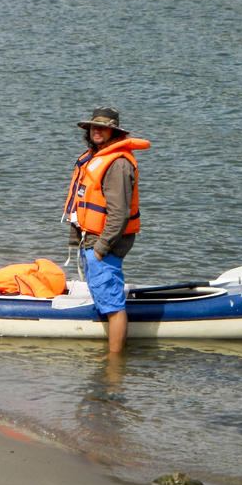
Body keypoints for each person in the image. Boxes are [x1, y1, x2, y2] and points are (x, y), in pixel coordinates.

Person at [63, 107, 150, 354]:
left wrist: (101, 249)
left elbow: (119, 213)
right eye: (94, 126)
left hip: (105, 242)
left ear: (114, 132)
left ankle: (114, 366)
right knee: (105, 296)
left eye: (103, 127)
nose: (97, 131)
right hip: (91, 238)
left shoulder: (118, 164)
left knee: (113, 305)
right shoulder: (95, 158)